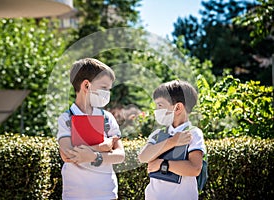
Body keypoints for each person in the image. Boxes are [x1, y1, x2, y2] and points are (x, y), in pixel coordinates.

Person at [57, 58, 125, 200]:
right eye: (104, 88)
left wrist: (93, 156)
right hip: (74, 195)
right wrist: (102, 147)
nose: (107, 93)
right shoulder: (66, 119)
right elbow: (67, 155)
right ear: (86, 86)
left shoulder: (108, 118)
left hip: (107, 193)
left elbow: (120, 155)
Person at [138, 80, 206, 200]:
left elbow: (194, 168)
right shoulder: (157, 134)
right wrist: (173, 141)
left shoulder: (193, 133)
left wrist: (162, 164)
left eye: (160, 105)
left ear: (178, 107)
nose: (156, 110)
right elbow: (143, 157)